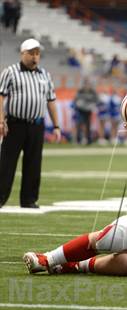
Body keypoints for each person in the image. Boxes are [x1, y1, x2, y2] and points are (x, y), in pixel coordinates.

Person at [0, 38, 61, 209]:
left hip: (36, 124)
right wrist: (1, 120)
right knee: (7, 162)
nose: (35, 57)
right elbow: (1, 95)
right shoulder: (10, 72)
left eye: (37, 53)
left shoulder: (44, 75)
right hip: (15, 124)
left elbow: (51, 101)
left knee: (33, 163)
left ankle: (29, 199)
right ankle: (0, 197)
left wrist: (56, 126)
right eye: (31, 53)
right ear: (23, 53)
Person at [73, 78, 98, 145]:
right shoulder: (80, 91)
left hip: (88, 111)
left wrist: (92, 106)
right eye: (86, 84)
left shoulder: (92, 92)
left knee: (88, 125)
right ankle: (78, 140)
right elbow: (75, 100)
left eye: (88, 84)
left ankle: (88, 140)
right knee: (79, 124)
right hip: (81, 110)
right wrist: (79, 105)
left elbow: (96, 100)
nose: (87, 85)